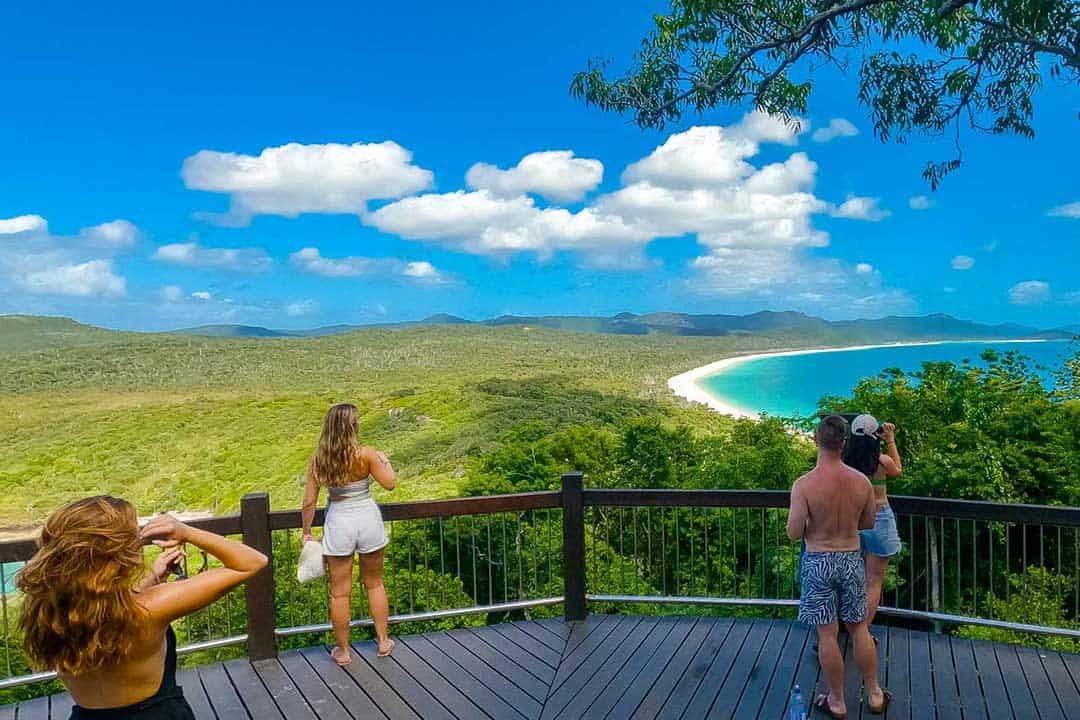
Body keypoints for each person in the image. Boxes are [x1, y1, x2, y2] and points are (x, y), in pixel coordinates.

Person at [17, 496, 268, 719]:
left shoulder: (49, 610)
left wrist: (152, 578)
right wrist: (186, 532)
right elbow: (250, 563)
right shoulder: (148, 610)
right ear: (116, 550)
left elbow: (103, 610)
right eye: (133, 534)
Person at [788, 415, 890, 717]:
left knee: (828, 635)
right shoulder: (861, 481)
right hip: (849, 558)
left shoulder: (804, 485)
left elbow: (794, 533)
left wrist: (811, 524)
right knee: (859, 629)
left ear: (816, 441)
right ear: (843, 444)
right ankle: (873, 693)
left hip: (819, 560)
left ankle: (837, 700)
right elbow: (869, 522)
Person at [301, 403, 397, 665]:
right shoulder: (366, 454)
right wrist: (384, 460)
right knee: (374, 583)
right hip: (367, 518)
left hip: (339, 522)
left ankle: (343, 652)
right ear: (353, 427)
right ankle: (383, 641)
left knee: (339, 593)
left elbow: (309, 501)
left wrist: (307, 532)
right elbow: (389, 483)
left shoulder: (319, 460)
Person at [844, 414, 903, 628]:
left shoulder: (844, 461)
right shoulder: (881, 461)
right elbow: (898, 471)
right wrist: (890, 439)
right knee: (874, 581)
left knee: (850, 578)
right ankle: (862, 631)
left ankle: (844, 625)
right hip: (880, 518)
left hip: (853, 519)